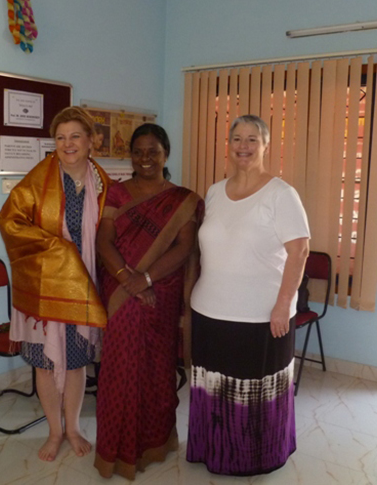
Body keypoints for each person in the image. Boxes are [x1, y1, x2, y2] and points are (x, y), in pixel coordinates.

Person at [187, 115, 310, 476]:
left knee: (253, 395)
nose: (244, 145)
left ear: (266, 145)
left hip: (259, 316)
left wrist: (283, 306)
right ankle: (212, 451)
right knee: (214, 389)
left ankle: (253, 458)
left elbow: (299, 251)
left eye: (252, 139)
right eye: (237, 138)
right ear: (229, 143)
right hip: (208, 310)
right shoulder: (214, 191)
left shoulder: (281, 194)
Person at [0, 106, 112, 462]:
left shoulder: (103, 182)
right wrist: (56, 249)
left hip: (83, 287)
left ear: (92, 140)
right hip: (46, 285)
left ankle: (74, 426)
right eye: (60, 137)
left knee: (77, 361)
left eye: (75, 136)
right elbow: (9, 220)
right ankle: (54, 430)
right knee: (44, 363)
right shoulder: (39, 178)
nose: (67, 144)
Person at [94, 123, 203, 480]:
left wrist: (148, 278)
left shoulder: (183, 199)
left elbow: (185, 247)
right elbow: (103, 241)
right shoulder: (115, 194)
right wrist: (130, 279)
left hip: (162, 293)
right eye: (138, 151)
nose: (145, 158)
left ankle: (158, 442)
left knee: (157, 371)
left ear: (165, 154)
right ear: (131, 156)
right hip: (121, 292)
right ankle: (117, 452)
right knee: (120, 371)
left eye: (153, 151)